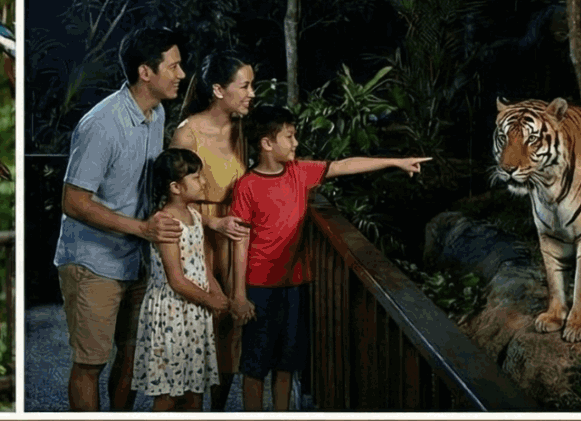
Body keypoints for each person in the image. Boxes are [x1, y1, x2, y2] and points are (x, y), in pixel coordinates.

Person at [229, 104, 429, 411]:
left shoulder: (300, 173)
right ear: (267, 144)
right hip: (260, 287)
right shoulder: (247, 186)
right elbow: (239, 241)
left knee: (286, 365)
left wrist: (395, 161)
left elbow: (343, 165)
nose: (296, 143)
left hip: (295, 285)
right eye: (290, 136)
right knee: (254, 366)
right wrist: (239, 295)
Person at [53, 27, 185, 412]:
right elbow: (73, 201)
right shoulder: (102, 124)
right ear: (146, 72)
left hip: (135, 259)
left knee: (130, 356)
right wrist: (142, 228)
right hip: (93, 261)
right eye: (173, 66)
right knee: (90, 364)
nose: (181, 74)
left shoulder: (157, 114)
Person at [167, 55, 257, 402]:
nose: (252, 94)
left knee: (230, 334)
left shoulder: (244, 132)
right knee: (195, 329)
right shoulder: (187, 133)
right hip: (195, 238)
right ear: (219, 90)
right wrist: (213, 222)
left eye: (253, 85)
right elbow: (174, 201)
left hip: (233, 240)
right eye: (245, 86)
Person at [132, 147, 229, 411]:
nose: (203, 182)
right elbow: (176, 279)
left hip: (195, 311)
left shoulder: (196, 217)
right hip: (172, 314)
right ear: (175, 186)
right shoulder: (165, 222)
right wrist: (211, 300)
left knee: (194, 391)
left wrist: (217, 293)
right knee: (169, 395)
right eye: (196, 177)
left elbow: (200, 263)